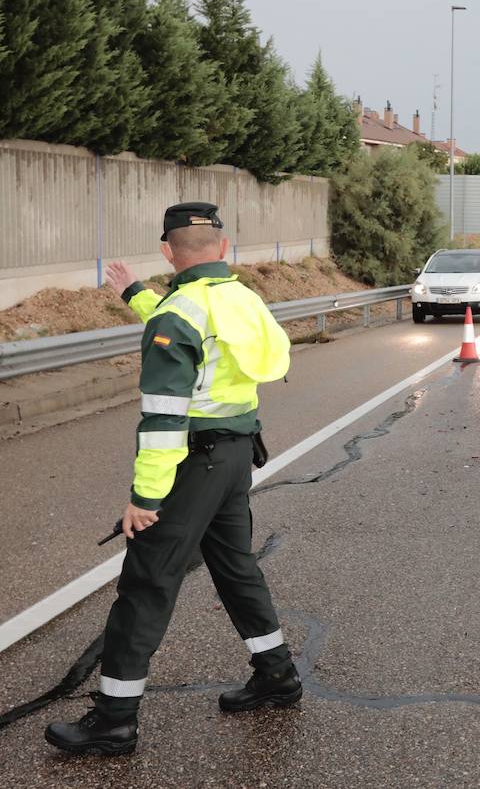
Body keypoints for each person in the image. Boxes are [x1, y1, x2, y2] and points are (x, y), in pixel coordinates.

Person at [46, 202, 300, 756]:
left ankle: (114, 719)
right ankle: (277, 674)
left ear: (168, 251)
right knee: (236, 568)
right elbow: (191, 331)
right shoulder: (241, 299)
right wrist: (135, 293)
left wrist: (144, 498)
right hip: (236, 456)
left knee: (147, 581)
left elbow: (163, 416)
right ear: (225, 250)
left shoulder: (180, 314)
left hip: (194, 461)